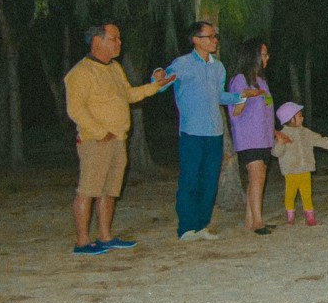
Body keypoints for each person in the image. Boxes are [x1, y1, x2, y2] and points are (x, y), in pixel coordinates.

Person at [63, 23, 173, 254]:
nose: (119, 43)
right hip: (96, 141)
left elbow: (129, 95)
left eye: (119, 38)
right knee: (88, 190)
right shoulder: (80, 73)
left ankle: (106, 236)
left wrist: (155, 87)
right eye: (114, 39)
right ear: (97, 41)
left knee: (110, 190)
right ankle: (82, 242)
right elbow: (76, 110)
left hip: (117, 139)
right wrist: (101, 133)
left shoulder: (114, 68)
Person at [167, 21, 254, 240]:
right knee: (190, 179)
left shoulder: (218, 67)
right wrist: (158, 75)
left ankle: (202, 225)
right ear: (196, 40)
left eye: (216, 37)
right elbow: (160, 82)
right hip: (192, 132)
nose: (215, 41)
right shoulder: (182, 64)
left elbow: (219, 96)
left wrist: (240, 97)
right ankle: (186, 227)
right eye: (210, 37)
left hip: (214, 132)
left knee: (209, 179)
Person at [228, 37, 287, 236]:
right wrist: (245, 96)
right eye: (263, 54)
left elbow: (266, 111)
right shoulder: (240, 80)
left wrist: (275, 132)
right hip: (248, 138)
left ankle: (250, 220)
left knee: (258, 178)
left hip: (263, 138)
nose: (267, 58)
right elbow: (235, 112)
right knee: (257, 177)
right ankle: (259, 222)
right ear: (252, 56)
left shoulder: (262, 81)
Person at [271, 102, 328, 225]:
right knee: (290, 194)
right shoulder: (283, 135)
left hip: (305, 170)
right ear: (291, 119)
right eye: (300, 116)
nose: (302, 118)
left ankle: (310, 217)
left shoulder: (306, 132)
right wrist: (280, 143)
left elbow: (320, 140)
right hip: (291, 171)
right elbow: (276, 153)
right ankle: (290, 216)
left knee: (307, 194)